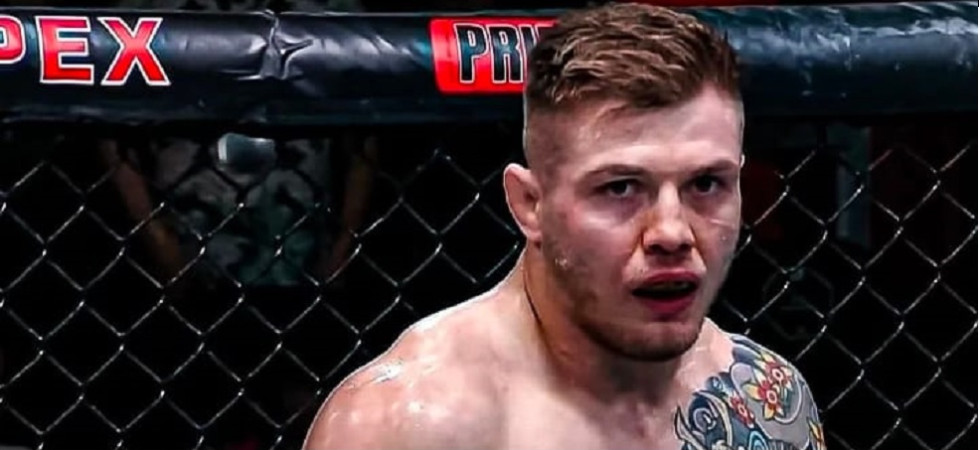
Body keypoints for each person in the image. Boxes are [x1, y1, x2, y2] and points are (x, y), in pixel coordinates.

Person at [304, 3, 826, 450]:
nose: (672, 232)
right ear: (529, 204)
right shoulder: (407, 424)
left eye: (706, 184)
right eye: (620, 188)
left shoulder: (767, 402)